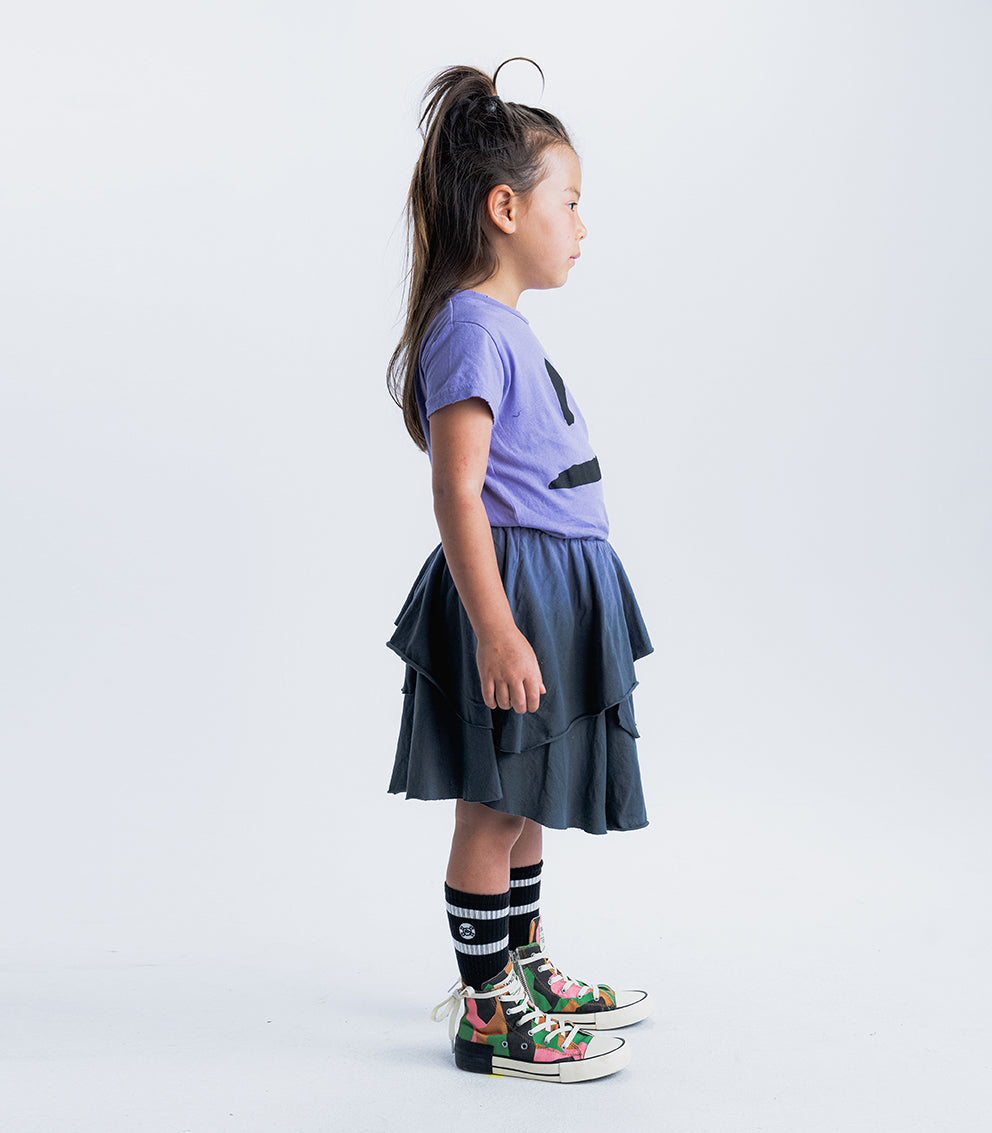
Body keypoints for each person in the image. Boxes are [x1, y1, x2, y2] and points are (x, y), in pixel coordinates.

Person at [385, 59, 654, 1084]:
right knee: (492, 804)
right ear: (506, 208)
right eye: (569, 202)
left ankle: (521, 967)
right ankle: (488, 1014)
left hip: (551, 585)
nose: (581, 225)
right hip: (512, 589)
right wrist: (497, 629)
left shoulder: (498, 326)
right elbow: (458, 493)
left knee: (525, 793)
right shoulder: (468, 328)